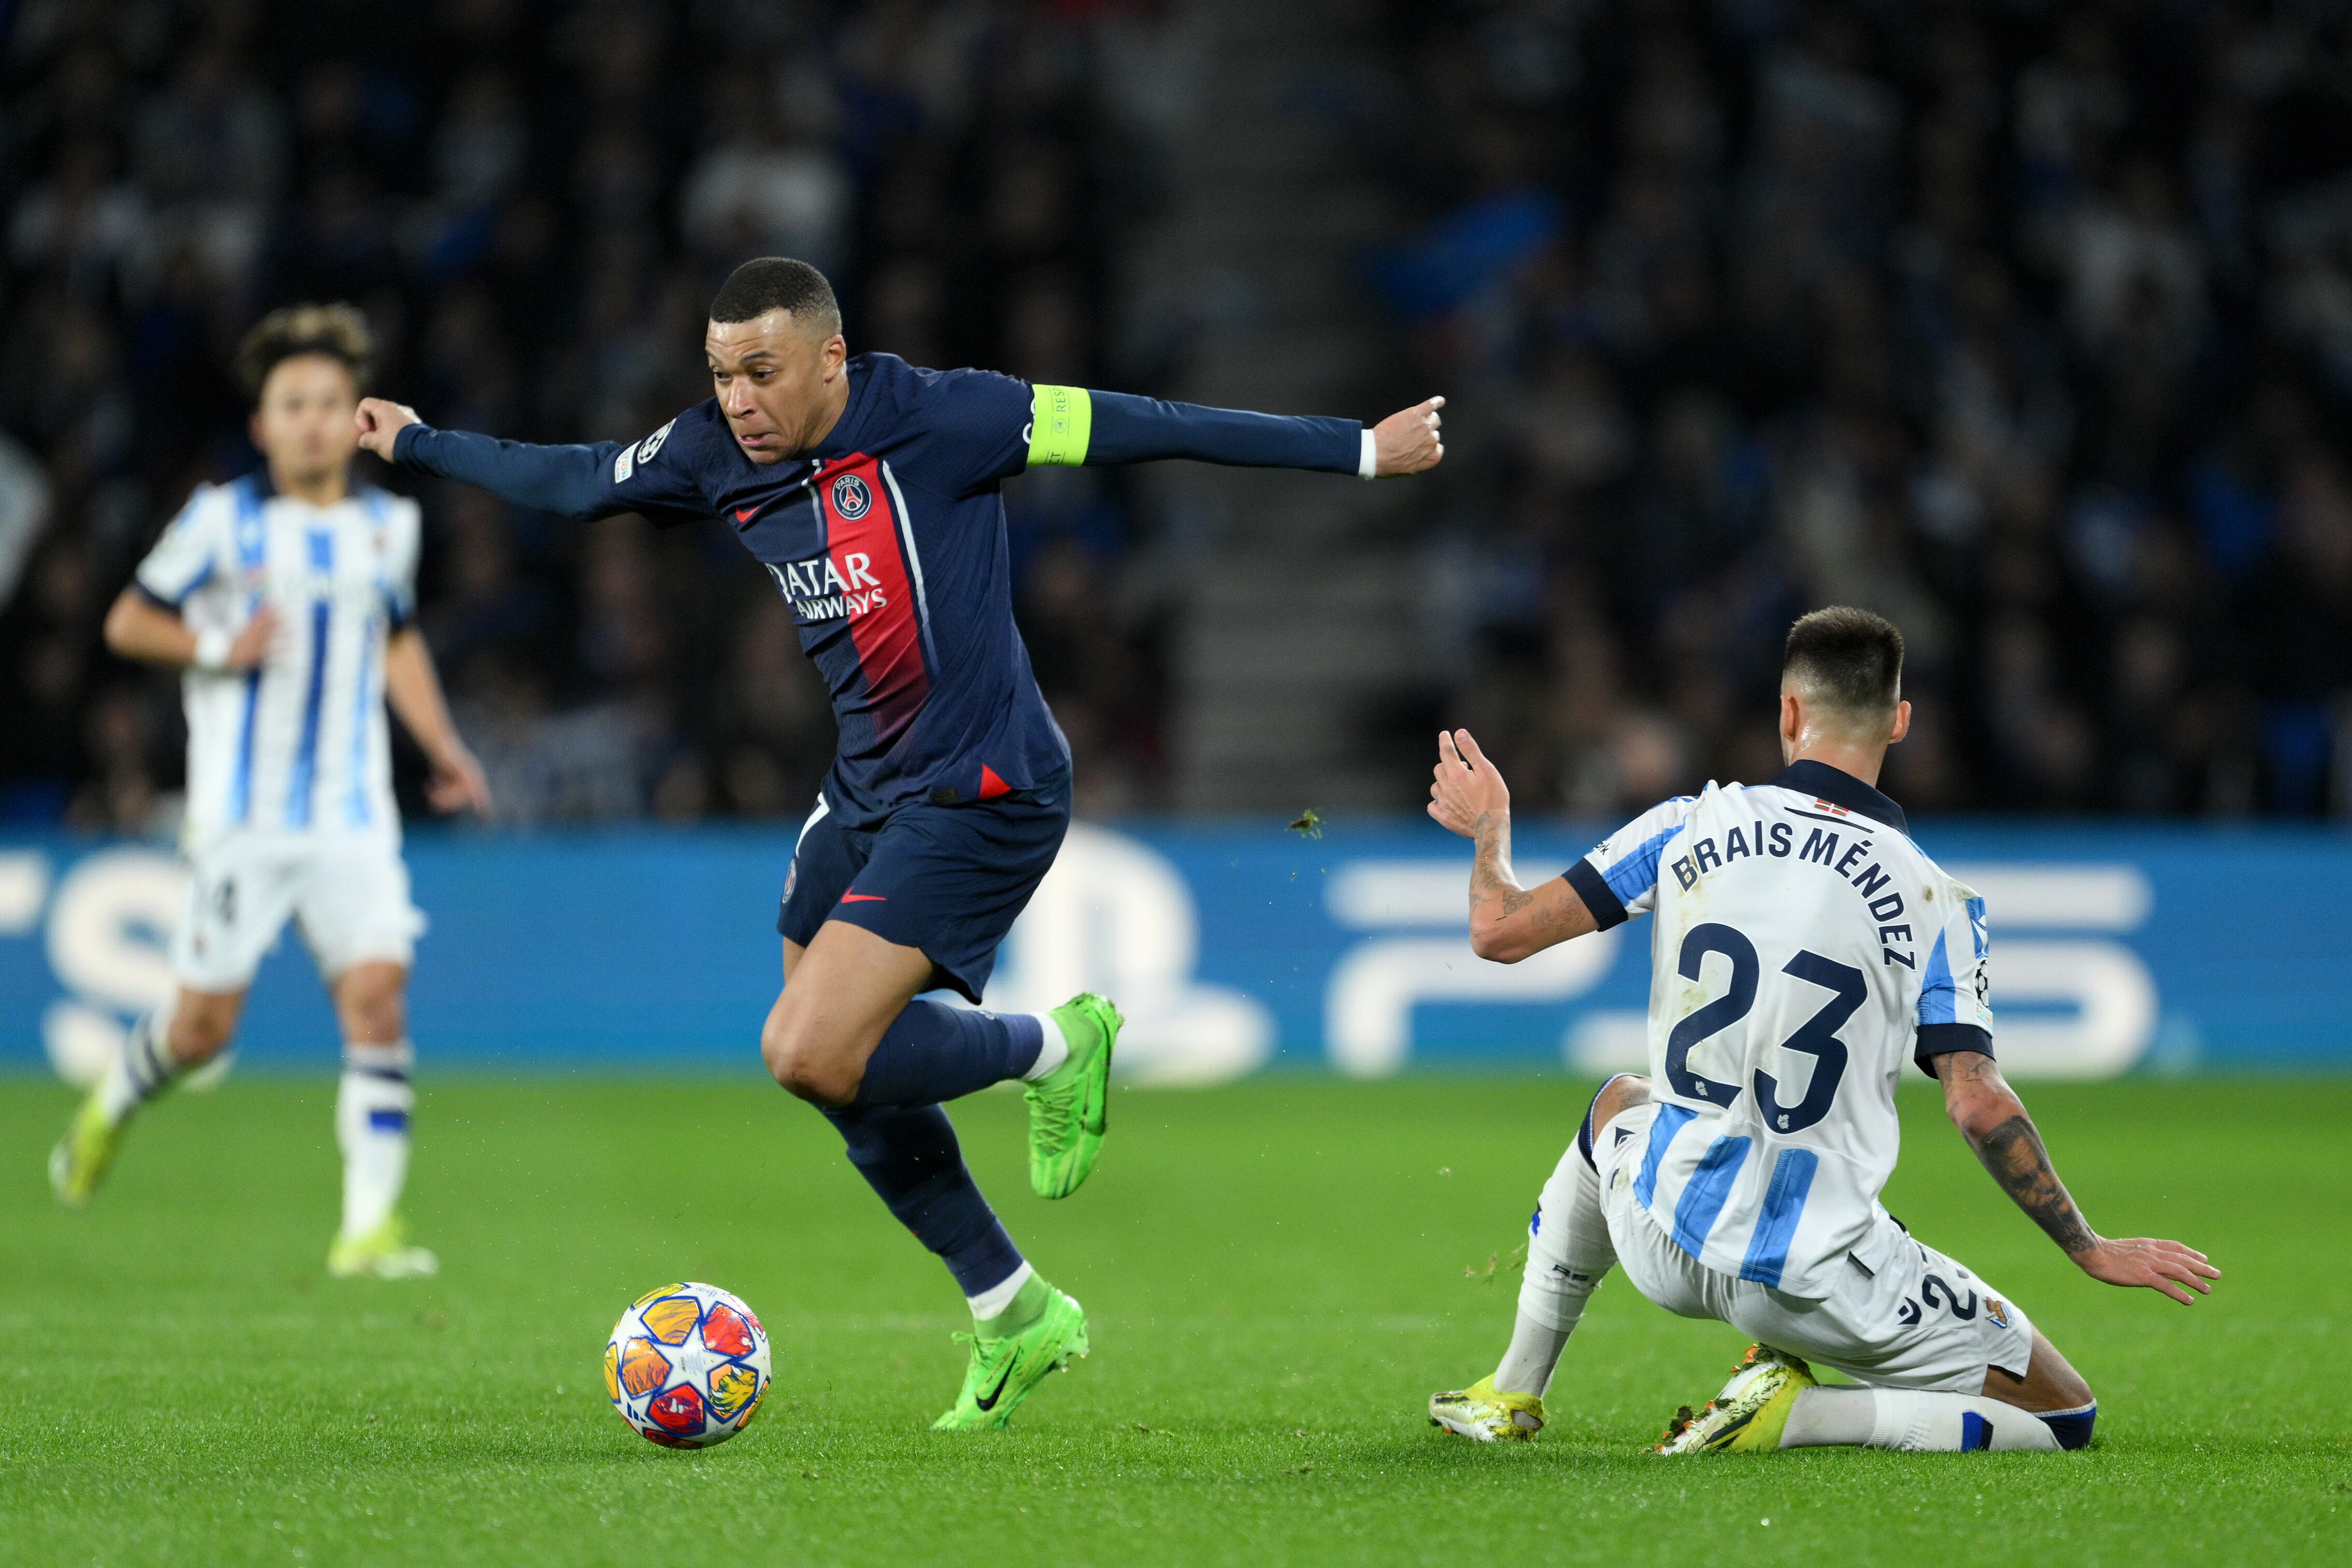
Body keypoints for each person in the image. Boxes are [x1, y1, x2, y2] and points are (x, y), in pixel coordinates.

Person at [351, 255, 1446, 1429]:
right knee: (842, 1074)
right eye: (721, 376)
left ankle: (1053, 1047)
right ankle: (1015, 1309)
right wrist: (419, 443)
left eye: (761, 373)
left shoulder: (949, 417)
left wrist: (1360, 449)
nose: (739, 402)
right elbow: (574, 483)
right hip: (863, 790)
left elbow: (1146, 425)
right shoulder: (711, 454)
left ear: (830, 356)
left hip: (985, 790)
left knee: (806, 1048)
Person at [1422, 606, 2217, 1453]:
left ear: (1789, 712)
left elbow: (1500, 932)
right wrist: (2087, 1246)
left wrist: (1489, 829)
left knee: (1618, 1105)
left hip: (1662, 1238)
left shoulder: (1687, 824)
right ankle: (1803, 1414)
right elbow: (1979, 1108)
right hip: (1819, 1279)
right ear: (1900, 723)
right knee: (2063, 1418)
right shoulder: (1934, 900)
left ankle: (1511, 1393)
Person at [51, 304, 491, 1281]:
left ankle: (366, 1227)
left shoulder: (389, 527)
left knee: (378, 1000)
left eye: (328, 403)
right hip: (243, 822)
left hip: (353, 816)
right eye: (291, 404)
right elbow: (127, 620)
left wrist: (443, 745)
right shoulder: (221, 520)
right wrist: (217, 647)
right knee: (203, 1030)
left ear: (353, 419)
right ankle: (110, 1106)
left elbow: (400, 639)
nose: (309, 421)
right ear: (263, 424)